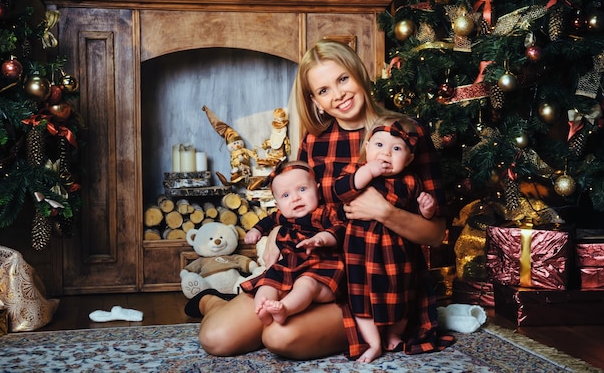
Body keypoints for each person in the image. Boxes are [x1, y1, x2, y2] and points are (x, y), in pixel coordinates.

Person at [189, 39, 451, 360]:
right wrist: (273, 231)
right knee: (217, 338)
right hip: (309, 265)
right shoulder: (314, 142)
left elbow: (436, 233)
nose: (338, 94)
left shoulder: (403, 134)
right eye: (324, 90)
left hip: (371, 283)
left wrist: (385, 212)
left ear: (358, 73)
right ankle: (213, 300)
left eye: (342, 79)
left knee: (278, 337)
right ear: (315, 100)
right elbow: (295, 200)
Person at [334, 114, 437, 362]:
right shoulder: (357, 172)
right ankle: (373, 342)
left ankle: (393, 333)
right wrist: (369, 170)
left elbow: (418, 217)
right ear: (367, 147)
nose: (386, 154)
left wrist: (427, 208)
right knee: (360, 298)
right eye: (379, 145)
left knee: (401, 295)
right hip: (361, 252)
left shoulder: (411, 181)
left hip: (397, 254)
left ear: (410, 158)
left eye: (397, 148)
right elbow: (341, 190)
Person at [241, 160, 344, 326]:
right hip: (289, 266)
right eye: (286, 195)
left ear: (317, 191)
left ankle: (285, 309)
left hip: (322, 269)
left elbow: (340, 229)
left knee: (306, 283)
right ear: (278, 205)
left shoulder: (326, 212)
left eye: (302, 189)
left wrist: (322, 238)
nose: (296, 198)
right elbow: (267, 221)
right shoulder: (282, 216)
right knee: (267, 282)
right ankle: (262, 309)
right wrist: (255, 231)